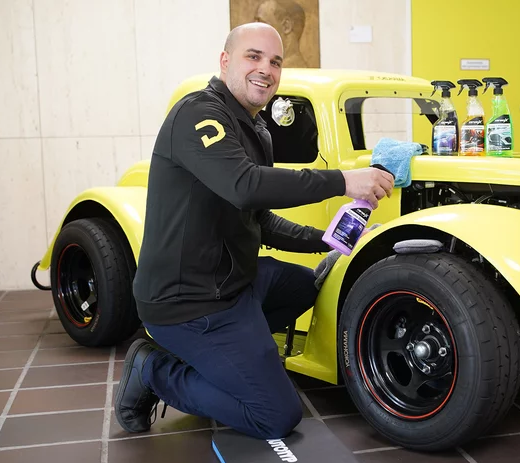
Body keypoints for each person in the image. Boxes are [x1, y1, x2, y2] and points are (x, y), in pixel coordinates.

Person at [114, 22, 394, 440]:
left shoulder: (257, 129)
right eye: (254, 56)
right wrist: (343, 180)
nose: (266, 69)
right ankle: (153, 369)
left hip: (232, 285)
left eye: (275, 62)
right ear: (225, 61)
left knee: (304, 286)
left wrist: (323, 241)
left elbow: (258, 218)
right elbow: (244, 186)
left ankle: (230, 356)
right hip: (188, 303)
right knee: (275, 415)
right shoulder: (198, 114)